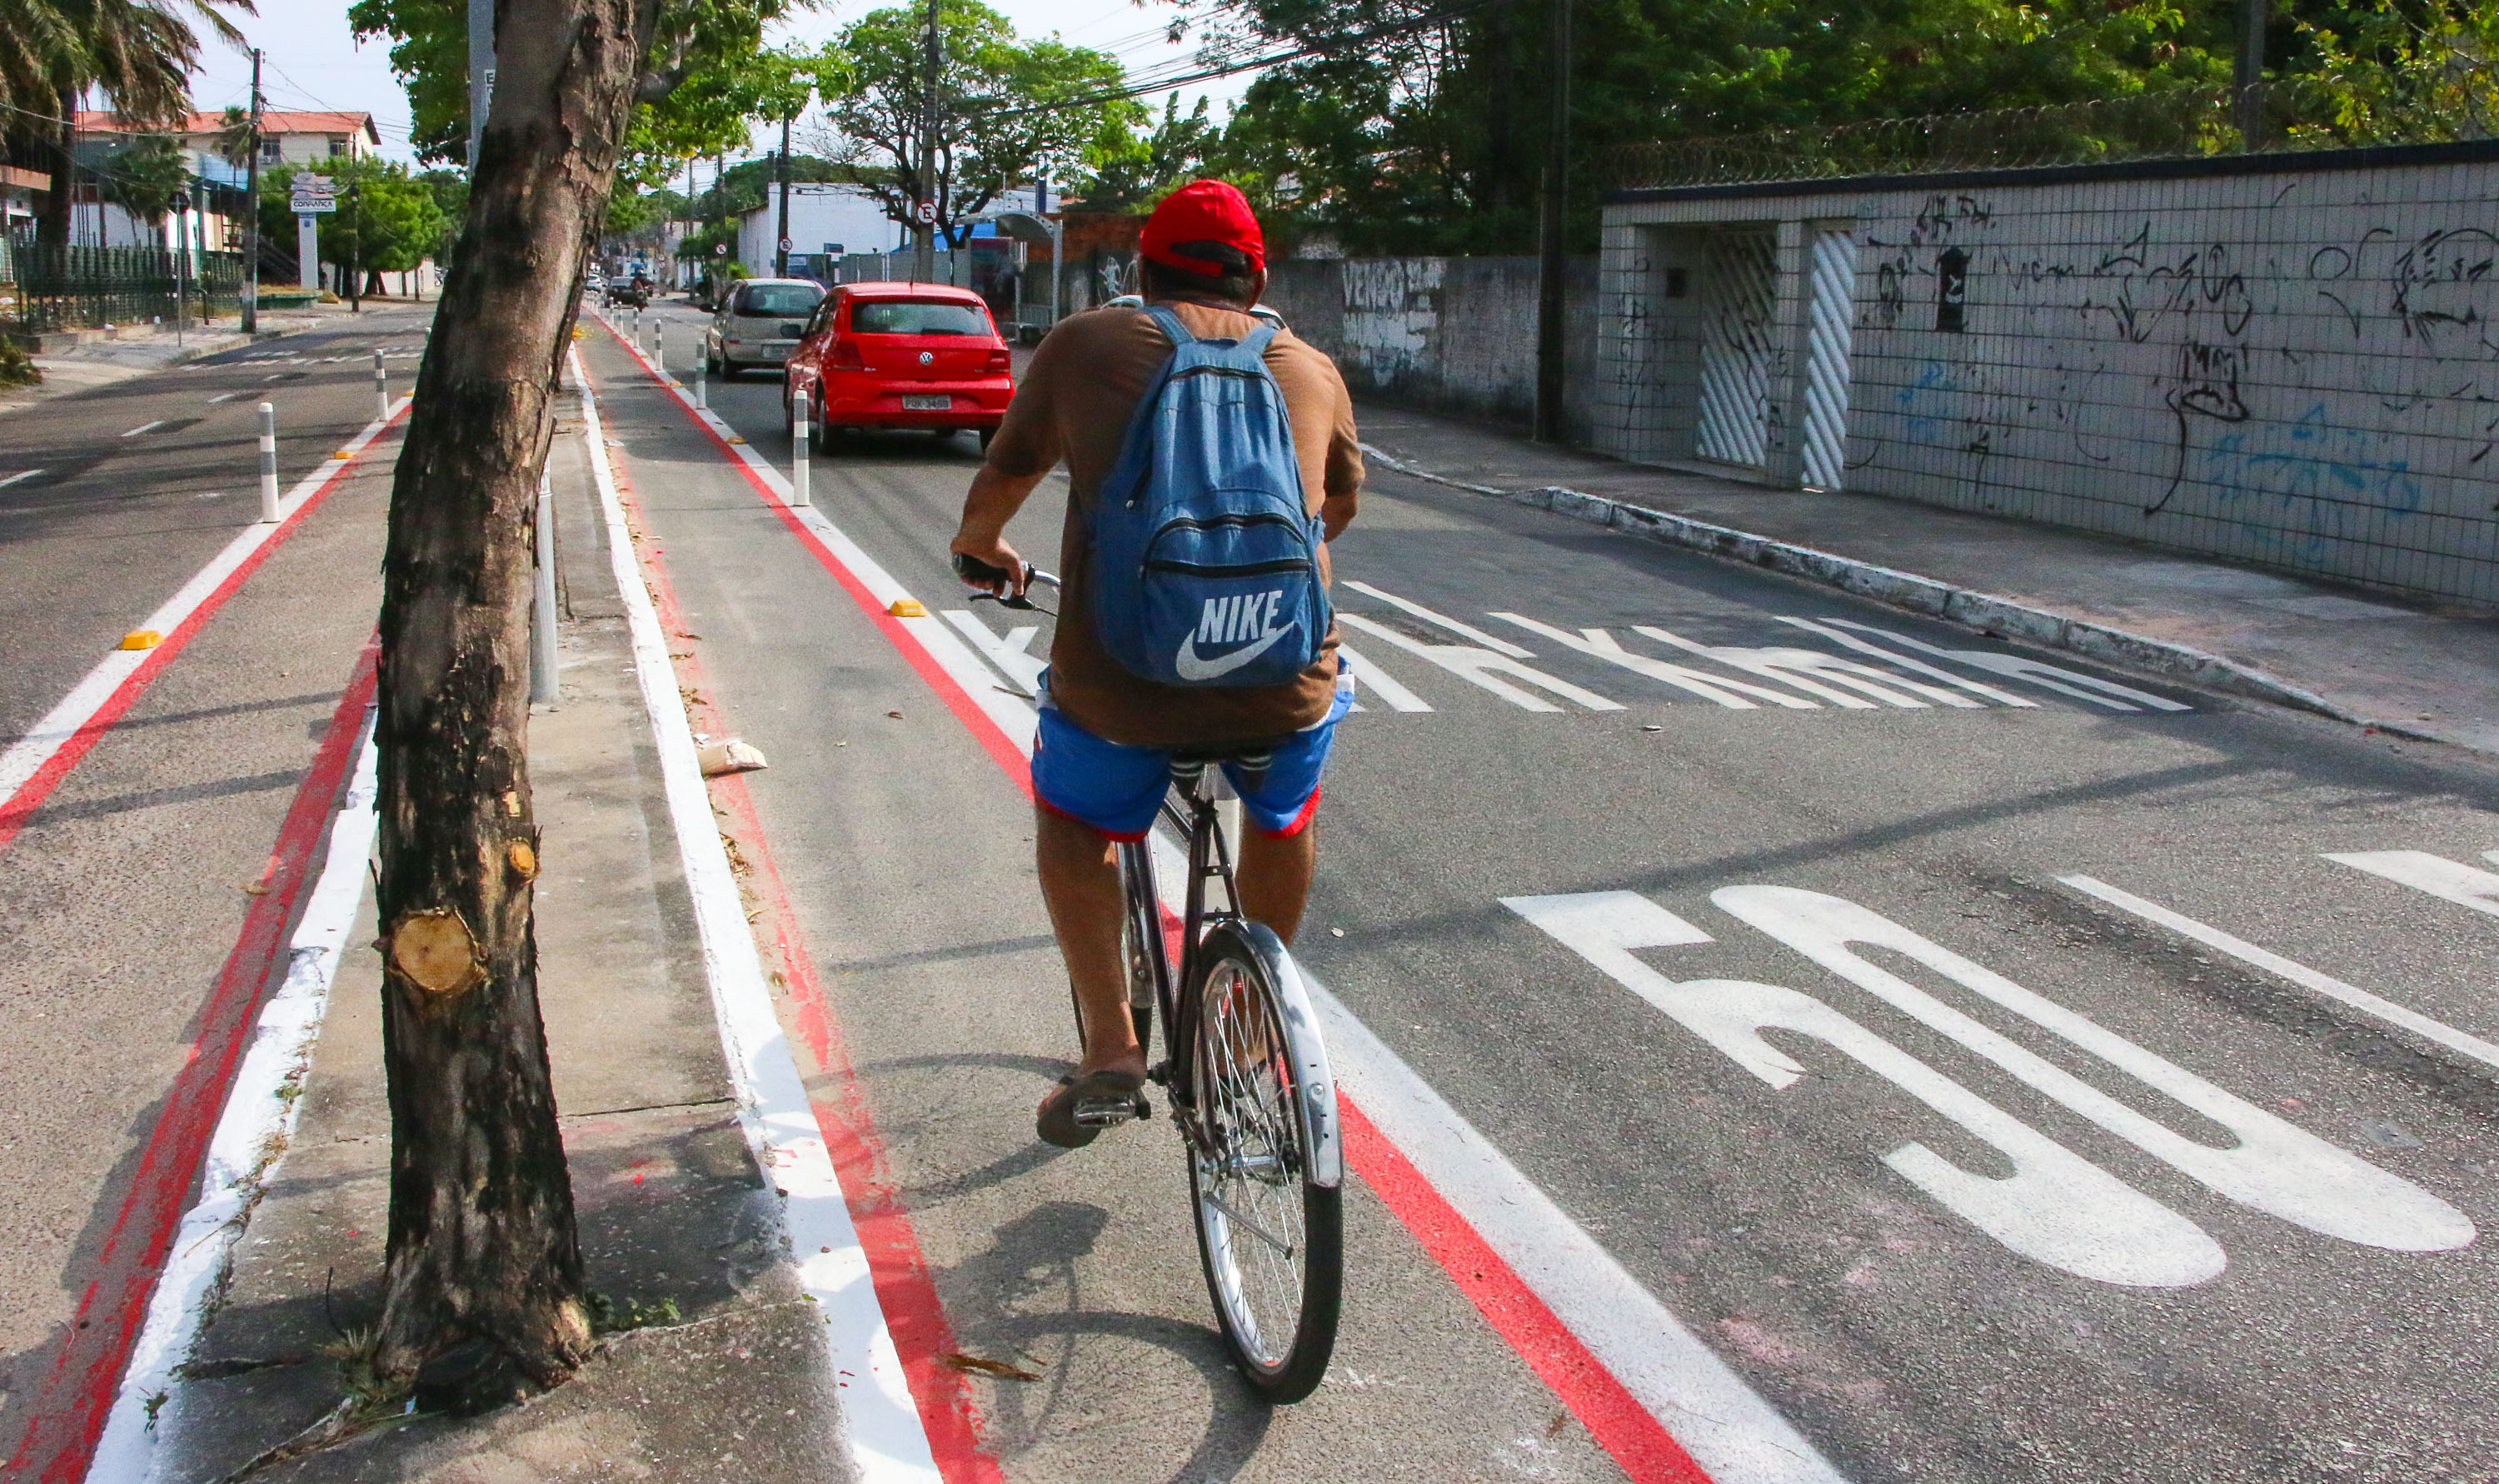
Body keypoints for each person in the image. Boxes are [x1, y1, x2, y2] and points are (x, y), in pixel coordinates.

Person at [950, 180, 1364, 1148]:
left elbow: (1009, 469)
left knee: (1075, 823)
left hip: (1122, 689)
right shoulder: (1311, 366)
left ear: (1143, 268)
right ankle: (1251, 1022)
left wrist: (981, 545)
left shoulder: (1087, 343)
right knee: (1284, 809)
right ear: (1257, 277)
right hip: (1281, 678)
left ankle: (1111, 1046)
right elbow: (1336, 508)